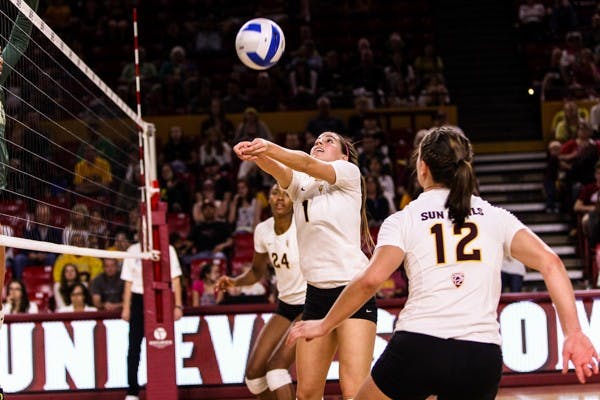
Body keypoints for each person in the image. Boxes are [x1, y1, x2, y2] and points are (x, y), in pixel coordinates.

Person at [287, 127, 599, 399]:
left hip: (419, 345)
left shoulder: (404, 219)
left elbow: (371, 280)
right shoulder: (495, 216)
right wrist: (573, 332)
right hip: (481, 355)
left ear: (422, 168)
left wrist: (325, 324)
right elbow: (552, 264)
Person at [233, 131, 377, 400]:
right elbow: (279, 168)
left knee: (353, 391)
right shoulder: (300, 183)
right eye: (317, 141)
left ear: (344, 154)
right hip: (317, 294)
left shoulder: (348, 173)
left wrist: (269, 146)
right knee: (307, 393)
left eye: (329, 141)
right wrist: (256, 153)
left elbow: (305, 164)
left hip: (352, 290)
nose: (319, 143)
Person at [217, 183, 306, 400]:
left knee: (276, 371)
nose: (280, 198)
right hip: (286, 304)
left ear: (294, 199)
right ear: (268, 197)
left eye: (286, 194)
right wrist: (234, 282)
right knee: (254, 379)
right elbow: (257, 271)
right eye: (275, 192)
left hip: (311, 303)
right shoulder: (263, 230)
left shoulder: (304, 225)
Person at [121, 237, 184, 400]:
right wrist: (126, 308)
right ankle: (132, 390)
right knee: (134, 346)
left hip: (159, 298)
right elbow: (128, 282)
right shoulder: (132, 251)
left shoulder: (168, 249)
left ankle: (162, 385)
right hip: (138, 298)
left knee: (161, 344)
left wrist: (177, 305)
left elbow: (176, 278)